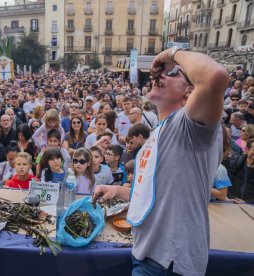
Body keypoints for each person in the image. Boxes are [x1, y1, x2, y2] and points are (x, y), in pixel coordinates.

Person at [93, 49, 228, 275]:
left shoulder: (189, 127)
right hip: (147, 254)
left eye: (174, 74)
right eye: (162, 73)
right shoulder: (157, 132)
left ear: (190, 92)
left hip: (168, 262)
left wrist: (171, 53)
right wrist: (116, 189)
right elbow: (153, 191)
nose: (162, 75)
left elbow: (215, 75)